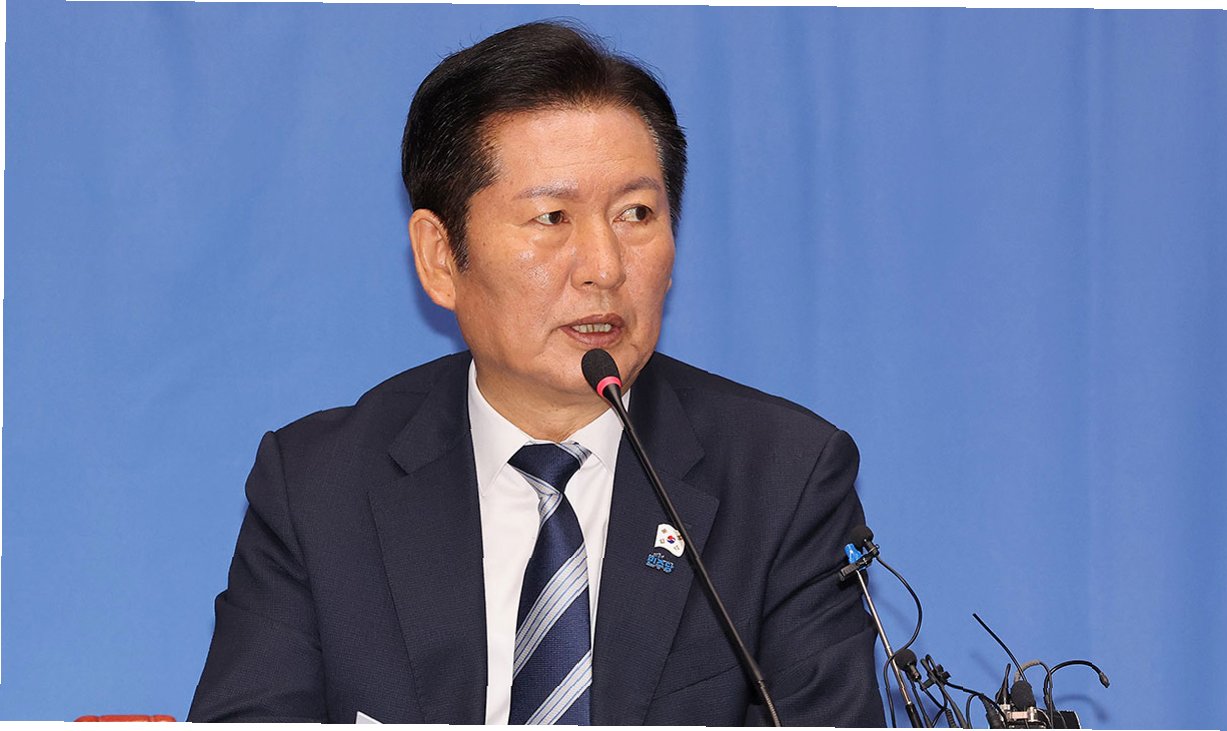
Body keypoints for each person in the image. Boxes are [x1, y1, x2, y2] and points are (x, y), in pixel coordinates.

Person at [189, 20, 884, 726]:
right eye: (552, 217)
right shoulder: (318, 487)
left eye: (636, 213)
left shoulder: (784, 479)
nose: (604, 267)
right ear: (439, 257)